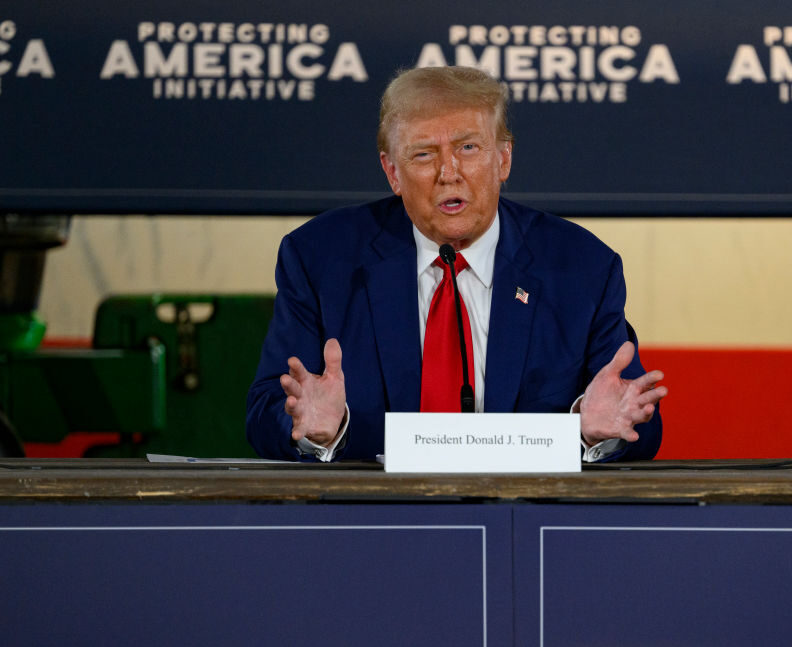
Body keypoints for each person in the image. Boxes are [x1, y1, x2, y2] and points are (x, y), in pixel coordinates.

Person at [246, 66, 666, 462]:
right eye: (424, 155)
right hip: (372, 519)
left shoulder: (582, 267)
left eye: (468, 147)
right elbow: (267, 411)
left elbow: (635, 421)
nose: (450, 172)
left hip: (522, 522)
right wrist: (316, 431)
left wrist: (596, 433)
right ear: (392, 172)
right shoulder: (321, 258)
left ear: (503, 159)